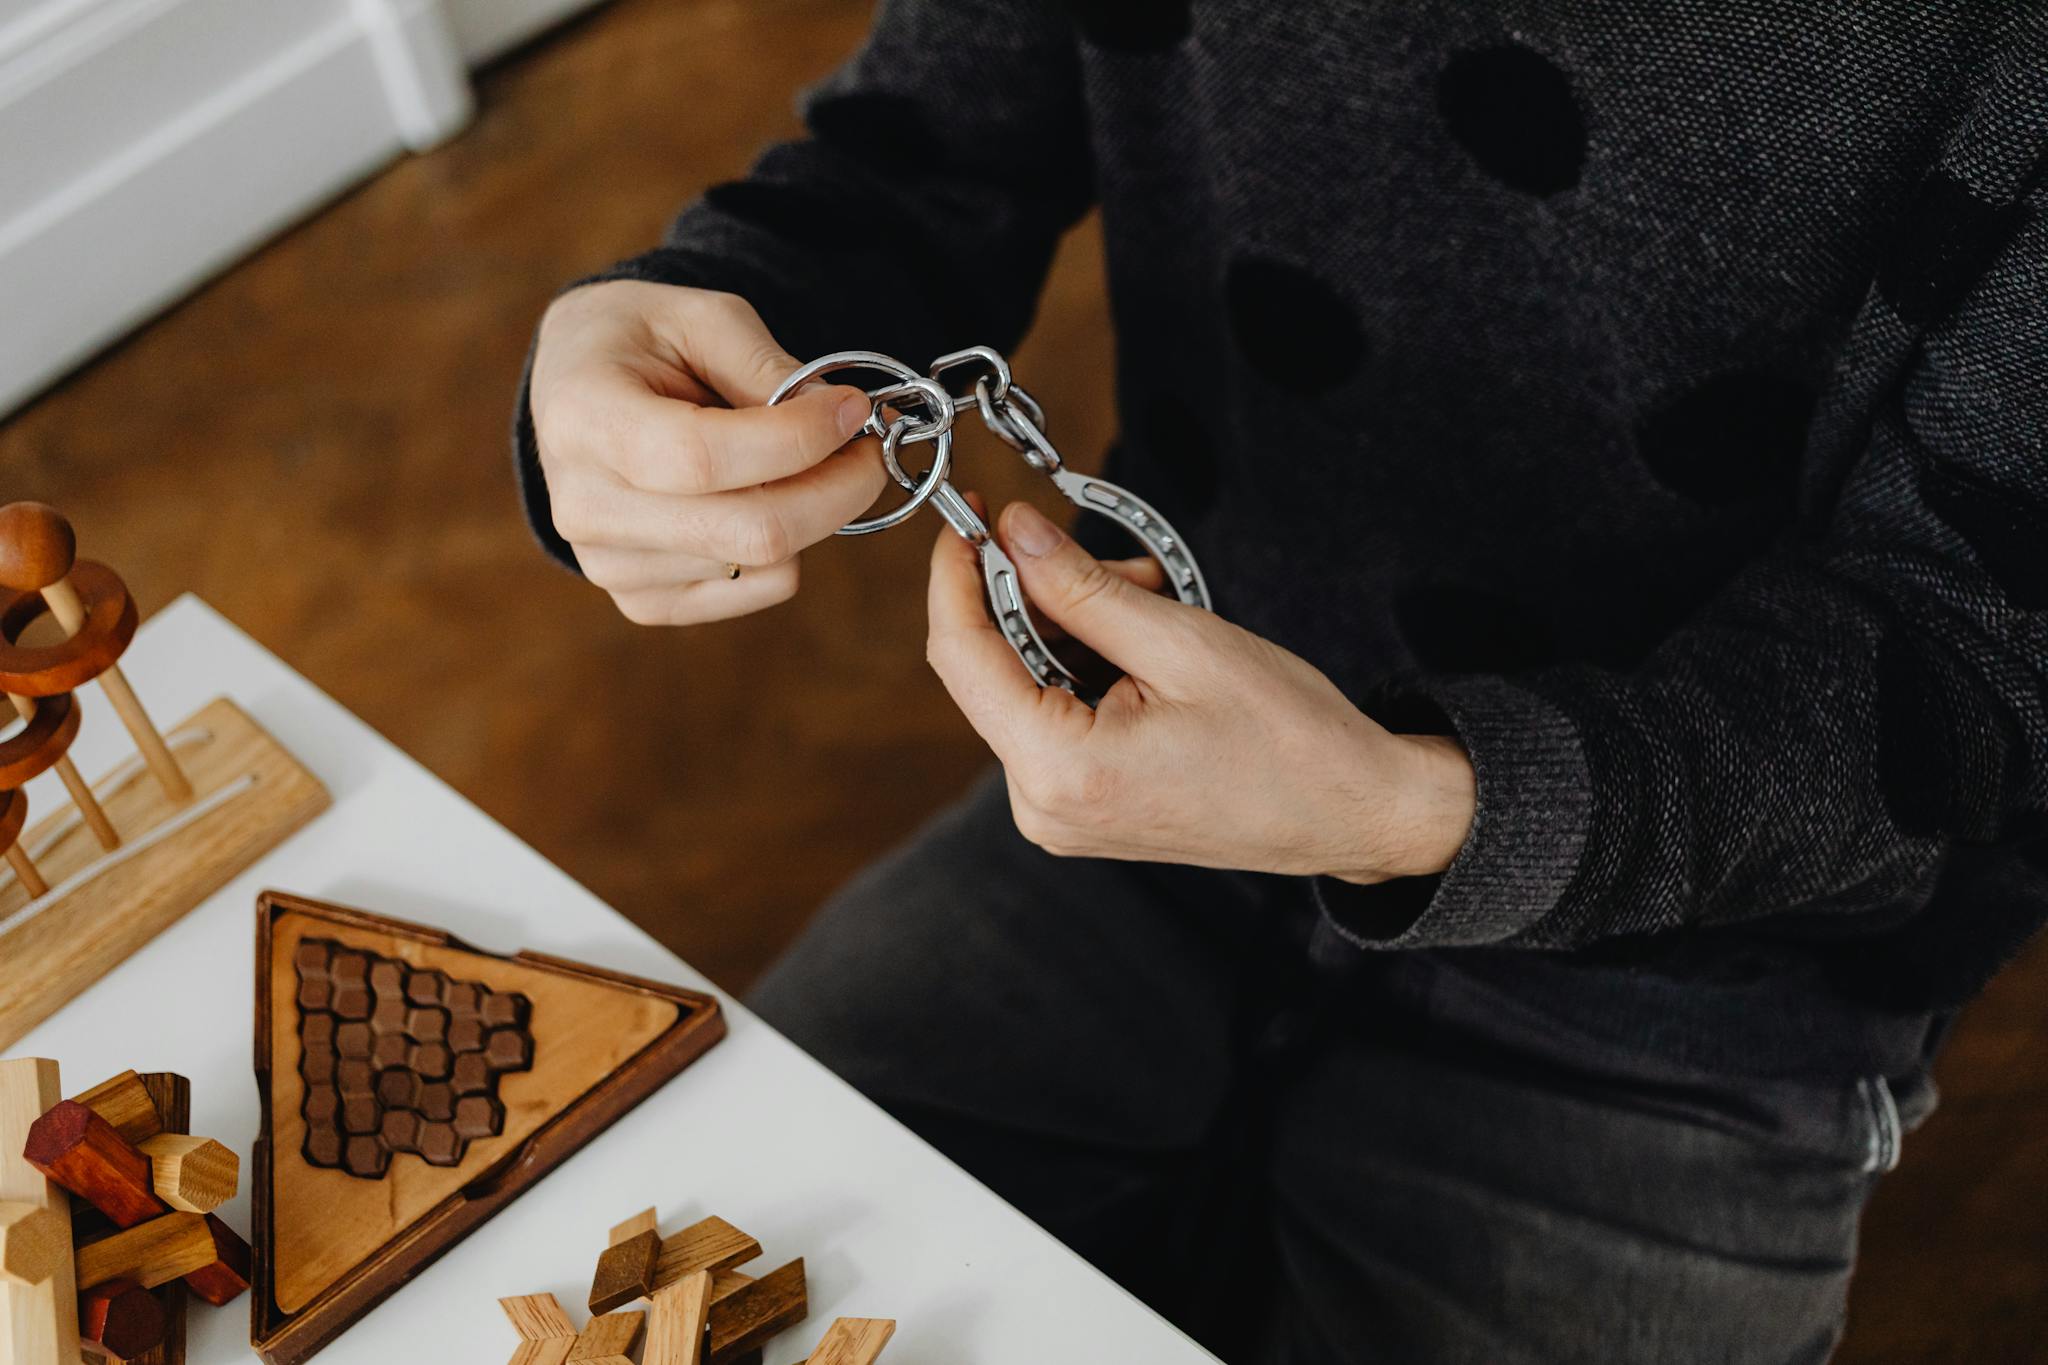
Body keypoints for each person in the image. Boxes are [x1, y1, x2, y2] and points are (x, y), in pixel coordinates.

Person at [512, 5, 2048, 1361]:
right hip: (1139, 840)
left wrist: (1410, 805)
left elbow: (1969, 672)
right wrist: (657, 340)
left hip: (1706, 984)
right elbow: (919, 159)